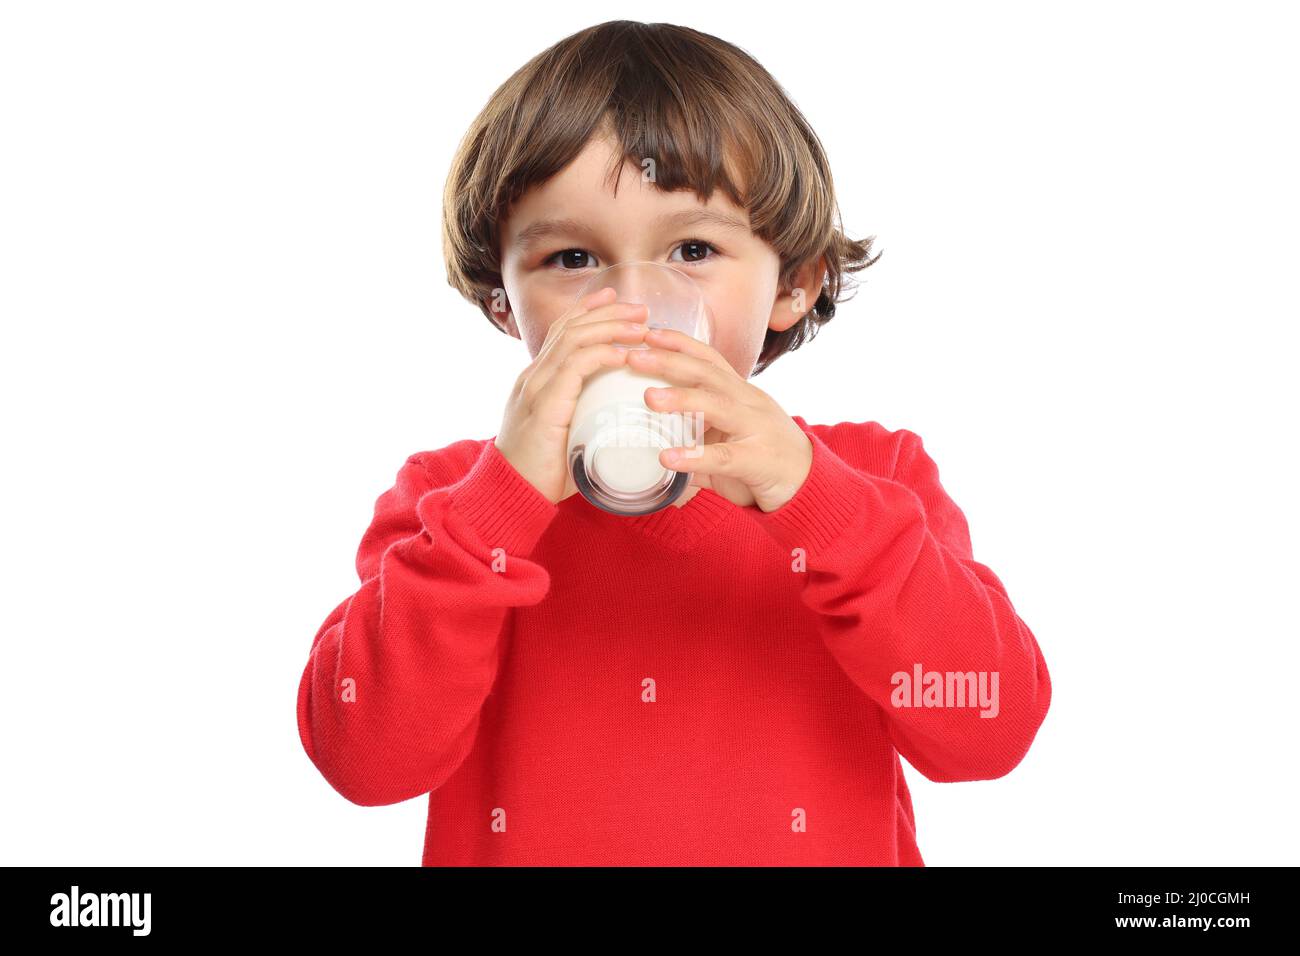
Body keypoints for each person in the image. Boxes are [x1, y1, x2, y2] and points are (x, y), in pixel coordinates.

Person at [296, 19, 1051, 866]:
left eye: (692, 249)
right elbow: (365, 760)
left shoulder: (873, 480)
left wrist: (817, 504)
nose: (630, 303)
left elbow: (988, 731)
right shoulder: (453, 502)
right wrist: (494, 511)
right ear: (502, 301)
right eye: (572, 257)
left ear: (792, 285)